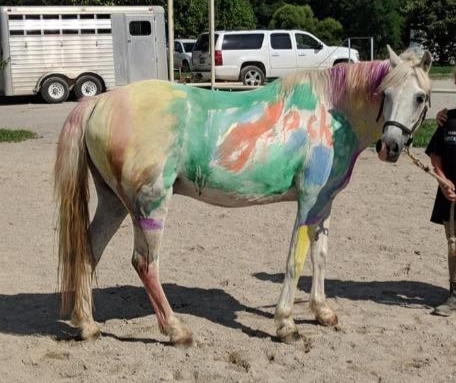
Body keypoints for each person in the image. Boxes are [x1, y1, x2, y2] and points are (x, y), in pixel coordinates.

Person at [425, 91, 456, 315]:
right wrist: (443, 181)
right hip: (450, 195)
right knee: (453, 244)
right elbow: (435, 156)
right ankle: (454, 292)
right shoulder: (448, 120)